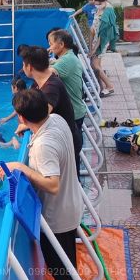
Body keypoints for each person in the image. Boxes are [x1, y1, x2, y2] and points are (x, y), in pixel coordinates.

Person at [0, 89, 84, 280]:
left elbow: (53, 184)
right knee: (66, 259)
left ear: (22, 117)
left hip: (58, 214)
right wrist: (29, 128)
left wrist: (20, 167)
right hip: (70, 202)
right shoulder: (56, 119)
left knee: (59, 264)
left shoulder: (44, 145)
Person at [17, 46, 82, 180]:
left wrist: (26, 124)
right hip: (60, 137)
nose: (23, 68)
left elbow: (41, 114)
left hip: (67, 143)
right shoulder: (37, 84)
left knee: (69, 182)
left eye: (23, 64)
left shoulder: (51, 87)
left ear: (30, 67)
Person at [48, 29, 87, 179]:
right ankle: (75, 184)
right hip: (76, 111)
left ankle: (75, 185)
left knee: (71, 156)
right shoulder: (68, 57)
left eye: (51, 43)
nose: (50, 47)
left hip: (73, 114)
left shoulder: (67, 61)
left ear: (61, 44)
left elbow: (46, 74)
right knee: (73, 153)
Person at [90, 0, 117, 97]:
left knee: (95, 65)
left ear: (104, 0)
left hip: (101, 42)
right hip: (97, 40)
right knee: (97, 65)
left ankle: (109, 86)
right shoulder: (101, 8)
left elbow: (103, 34)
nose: (96, 4)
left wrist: (94, 49)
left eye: (98, 3)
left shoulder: (107, 12)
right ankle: (100, 87)